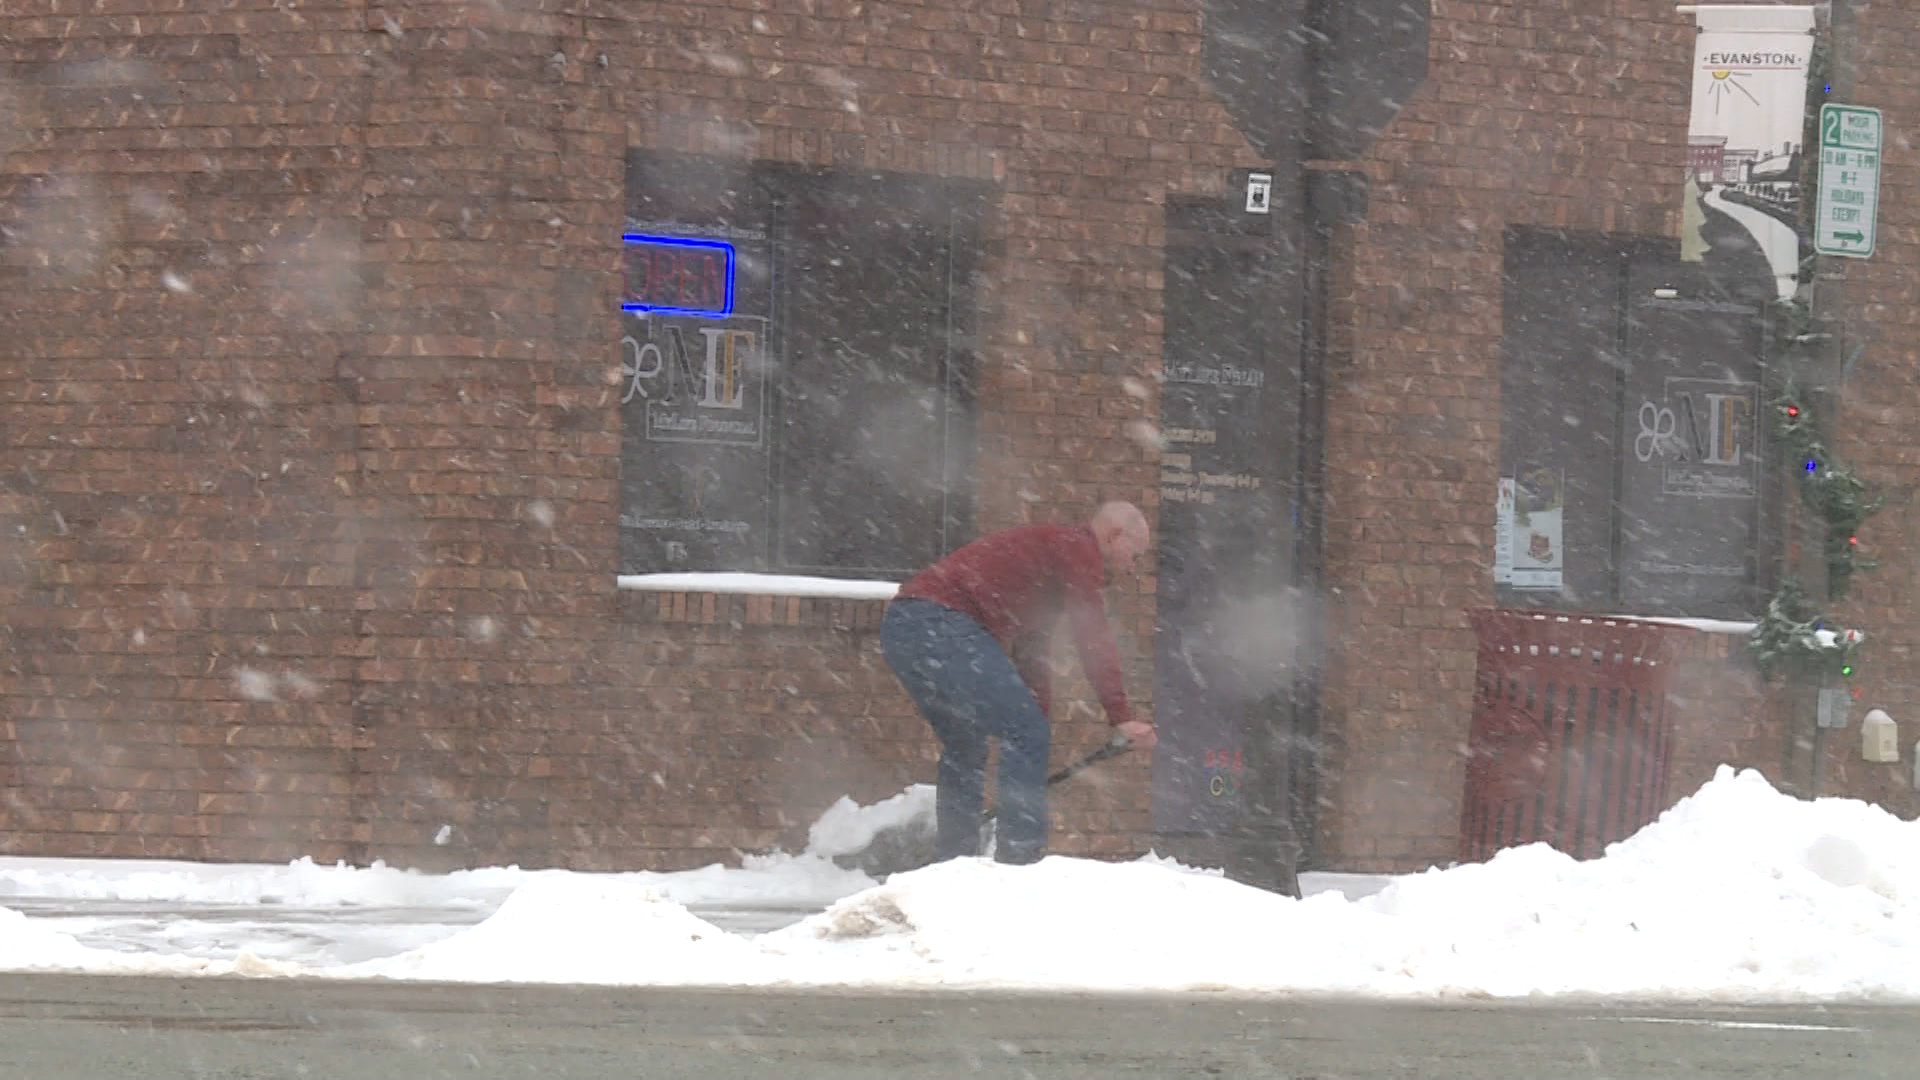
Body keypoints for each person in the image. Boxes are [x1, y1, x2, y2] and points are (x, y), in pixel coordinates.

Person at [878, 501, 1158, 865]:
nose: (1132, 569)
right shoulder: (1077, 548)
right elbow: (1092, 636)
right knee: (1018, 732)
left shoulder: (1052, 560)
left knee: (966, 744)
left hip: (904, 626)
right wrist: (1119, 716)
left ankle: (953, 863)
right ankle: (1019, 862)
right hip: (939, 623)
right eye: (1134, 555)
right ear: (1114, 535)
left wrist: (1035, 718)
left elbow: (1032, 653)